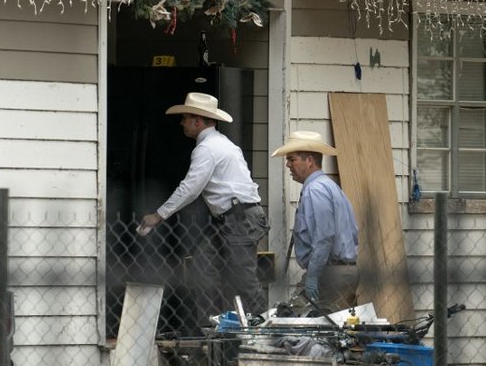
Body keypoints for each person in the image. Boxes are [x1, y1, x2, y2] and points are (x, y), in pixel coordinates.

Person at [139, 92, 269, 316]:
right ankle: (217, 324)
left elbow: (190, 188)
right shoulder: (219, 143)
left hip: (238, 219)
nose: (181, 123)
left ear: (197, 121)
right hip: (231, 218)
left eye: (185, 118)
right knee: (203, 266)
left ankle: (261, 328)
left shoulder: (207, 148)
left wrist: (158, 216)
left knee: (243, 280)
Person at [272, 131, 359, 314]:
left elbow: (324, 237)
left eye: (292, 159)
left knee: (296, 319)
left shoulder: (315, 190)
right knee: (335, 328)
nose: (288, 165)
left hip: (329, 273)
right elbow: (352, 233)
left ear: (309, 160)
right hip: (341, 271)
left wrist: (313, 276)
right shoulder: (330, 186)